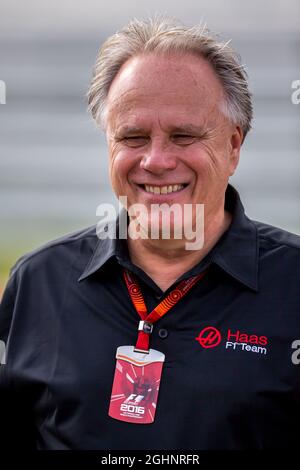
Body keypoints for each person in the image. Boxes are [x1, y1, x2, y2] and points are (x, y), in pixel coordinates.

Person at [0, 16, 300, 450]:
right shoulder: (37, 282)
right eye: (134, 137)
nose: (156, 161)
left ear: (233, 146)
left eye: (183, 136)